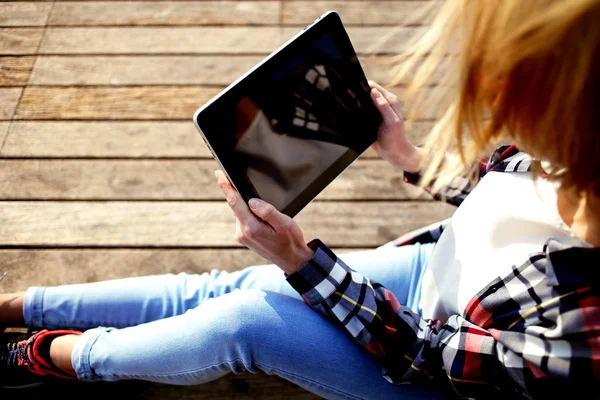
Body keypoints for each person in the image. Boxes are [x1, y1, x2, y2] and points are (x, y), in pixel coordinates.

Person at [1, 0, 599, 398]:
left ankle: (52, 354)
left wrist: (300, 261)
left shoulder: (587, 328)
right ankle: (20, 305)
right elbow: (506, 184)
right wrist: (408, 157)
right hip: (439, 268)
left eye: (514, 91)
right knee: (227, 287)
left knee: (242, 321)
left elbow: (420, 351)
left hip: (424, 358)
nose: (492, 103)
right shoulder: (579, 154)